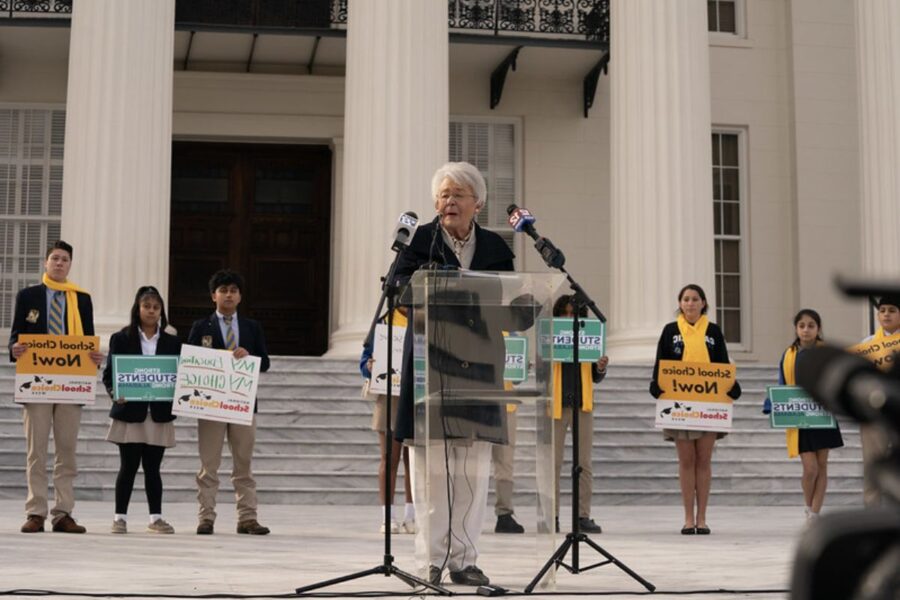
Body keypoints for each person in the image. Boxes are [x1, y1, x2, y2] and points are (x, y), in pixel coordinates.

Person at [394, 161, 523, 587]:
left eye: (458, 194)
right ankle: (429, 561)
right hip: (432, 367)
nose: (449, 201)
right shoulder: (420, 242)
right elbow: (397, 293)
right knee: (431, 471)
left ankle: (465, 559)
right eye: (444, 195)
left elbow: (509, 306)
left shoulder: (495, 248)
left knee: (472, 471)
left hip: (480, 368)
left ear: (477, 203)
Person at [8, 240, 103, 534]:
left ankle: (63, 513)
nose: (59, 263)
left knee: (67, 450)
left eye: (64, 259)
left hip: (70, 384)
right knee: (36, 450)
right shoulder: (28, 296)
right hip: (36, 383)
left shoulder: (82, 299)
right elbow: (15, 337)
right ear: (46, 263)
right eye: (55, 258)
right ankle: (35, 512)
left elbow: (87, 338)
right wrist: (14, 348)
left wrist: (94, 358)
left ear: (70, 265)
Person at [649, 284, 741, 535]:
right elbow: (661, 363)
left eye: (695, 299)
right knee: (686, 460)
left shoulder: (713, 331)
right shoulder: (670, 331)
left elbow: (722, 363)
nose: (690, 303)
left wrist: (732, 386)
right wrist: (656, 384)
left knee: (704, 460)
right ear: (680, 303)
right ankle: (688, 518)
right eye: (686, 299)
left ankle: (703, 518)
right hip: (679, 404)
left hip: (708, 404)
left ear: (703, 303)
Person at [188, 269, 271, 535]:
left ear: (240, 296)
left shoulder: (251, 327)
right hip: (211, 406)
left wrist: (249, 356)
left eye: (233, 290)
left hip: (242, 404)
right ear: (214, 296)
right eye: (223, 290)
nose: (228, 295)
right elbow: (189, 361)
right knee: (209, 464)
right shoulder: (201, 327)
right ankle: (206, 517)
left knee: (243, 464)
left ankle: (248, 517)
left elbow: (265, 362)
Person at [102, 286, 181, 534]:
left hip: (157, 413)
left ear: (161, 312)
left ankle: (155, 518)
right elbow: (109, 375)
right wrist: (116, 393)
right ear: (138, 308)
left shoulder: (172, 341)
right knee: (128, 467)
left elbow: (180, 376)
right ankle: (119, 518)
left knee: (153, 469)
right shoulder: (121, 338)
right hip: (130, 413)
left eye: (156, 307)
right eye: (146, 306)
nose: (151, 311)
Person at [764, 309, 843, 521]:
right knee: (810, 468)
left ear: (818, 329)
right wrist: (771, 403)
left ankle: (815, 513)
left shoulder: (826, 353)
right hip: (800, 416)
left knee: (822, 465)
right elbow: (782, 383)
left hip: (822, 415)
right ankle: (808, 507)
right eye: (802, 326)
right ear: (796, 329)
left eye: (811, 326)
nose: (806, 330)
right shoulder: (789, 354)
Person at [551, 294, 608, 534]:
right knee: (552, 463)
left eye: (573, 313)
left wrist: (600, 367)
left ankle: (582, 515)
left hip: (582, 404)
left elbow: (595, 376)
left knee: (583, 462)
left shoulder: (589, 340)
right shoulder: (551, 338)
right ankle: (551, 515)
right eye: (564, 313)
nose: (569, 318)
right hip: (554, 404)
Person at [359, 310, 415, 534]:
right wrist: (369, 367)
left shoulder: (422, 316)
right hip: (388, 393)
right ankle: (388, 516)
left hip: (414, 392)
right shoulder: (383, 321)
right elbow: (364, 360)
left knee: (413, 459)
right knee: (388, 457)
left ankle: (411, 515)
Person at [858, 295, 899, 507]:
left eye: (892, 310)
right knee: (873, 465)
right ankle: (871, 513)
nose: (886, 315)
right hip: (875, 413)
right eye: (882, 310)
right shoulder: (867, 345)